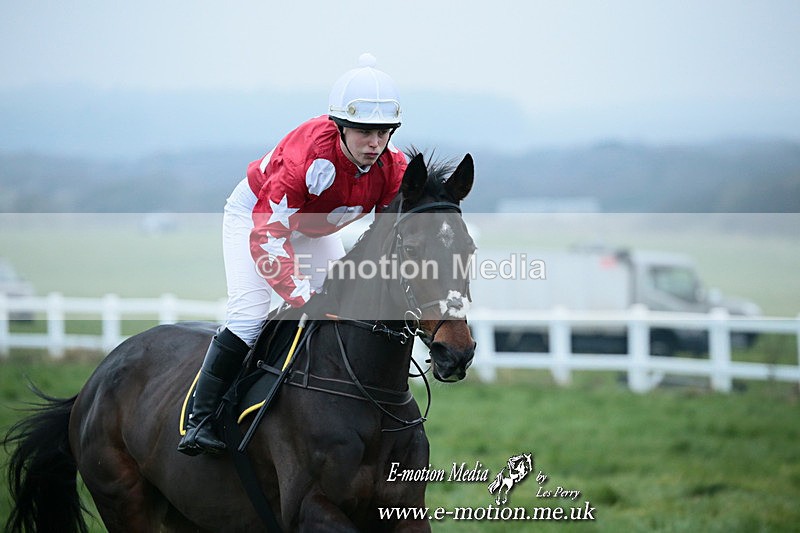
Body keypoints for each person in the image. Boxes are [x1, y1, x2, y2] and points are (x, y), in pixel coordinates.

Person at [178, 53, 408, 456]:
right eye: (364, 132)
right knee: (250, 314)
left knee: (339, 310)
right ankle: (201, 419)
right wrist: (302, 295)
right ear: (339, 126)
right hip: (257, 220)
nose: (375, 143)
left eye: (384, 132)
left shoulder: (393, 167)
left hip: (312, 227)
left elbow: (389, 234)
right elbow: (268, 238)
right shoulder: (305, 159)